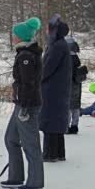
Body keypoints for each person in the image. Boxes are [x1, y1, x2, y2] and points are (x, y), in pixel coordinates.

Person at [2, 17, 44, 189]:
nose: (13, 37)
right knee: (11, 139)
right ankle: (15, 176)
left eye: (15, 35)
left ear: (22, 37)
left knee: (30, 143)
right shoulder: (23, 53)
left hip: (27, 105)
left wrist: (25, 107)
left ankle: (35, 182)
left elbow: (29, 83)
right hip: (21, 103)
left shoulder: (26, 56)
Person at [40, 14, 72, 163]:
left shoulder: (57, 46)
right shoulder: (61, 44)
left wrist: (37, 78)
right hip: (58, 90)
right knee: (56, 121)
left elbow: (46, 68)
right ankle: (59, 152)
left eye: (48, 28)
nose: (46, 31)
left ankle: (50, 153)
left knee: (50, 121)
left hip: (52, 90)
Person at [66, 35, 88, 134]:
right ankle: (74, 126)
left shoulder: (66, 59)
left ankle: (65, 126)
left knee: (67, 107)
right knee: (75, 106)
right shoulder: (76, 57)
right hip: (77, 85)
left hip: (68, 85)